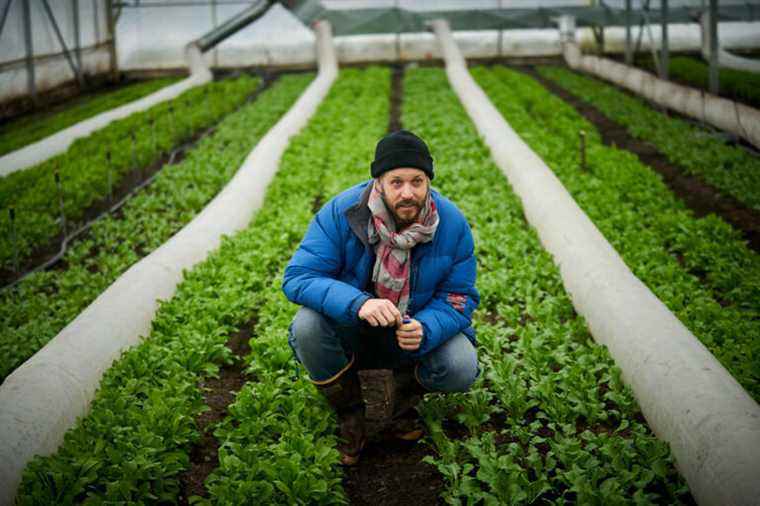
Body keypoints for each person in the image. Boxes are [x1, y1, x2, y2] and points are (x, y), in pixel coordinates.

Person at [282, 129, 479, 465]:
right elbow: (299, 277)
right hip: (353, 328)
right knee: (307, 326)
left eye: (417, 181)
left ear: (428, 181)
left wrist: (426, 327)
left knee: (461, 364)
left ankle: (400, 406)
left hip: (407, 334)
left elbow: (459, 295)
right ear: (379, 182)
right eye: (396, 182)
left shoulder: (451, 224)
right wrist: (359, 303)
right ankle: (351, 415)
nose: (408, 193)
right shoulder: (342, 213)